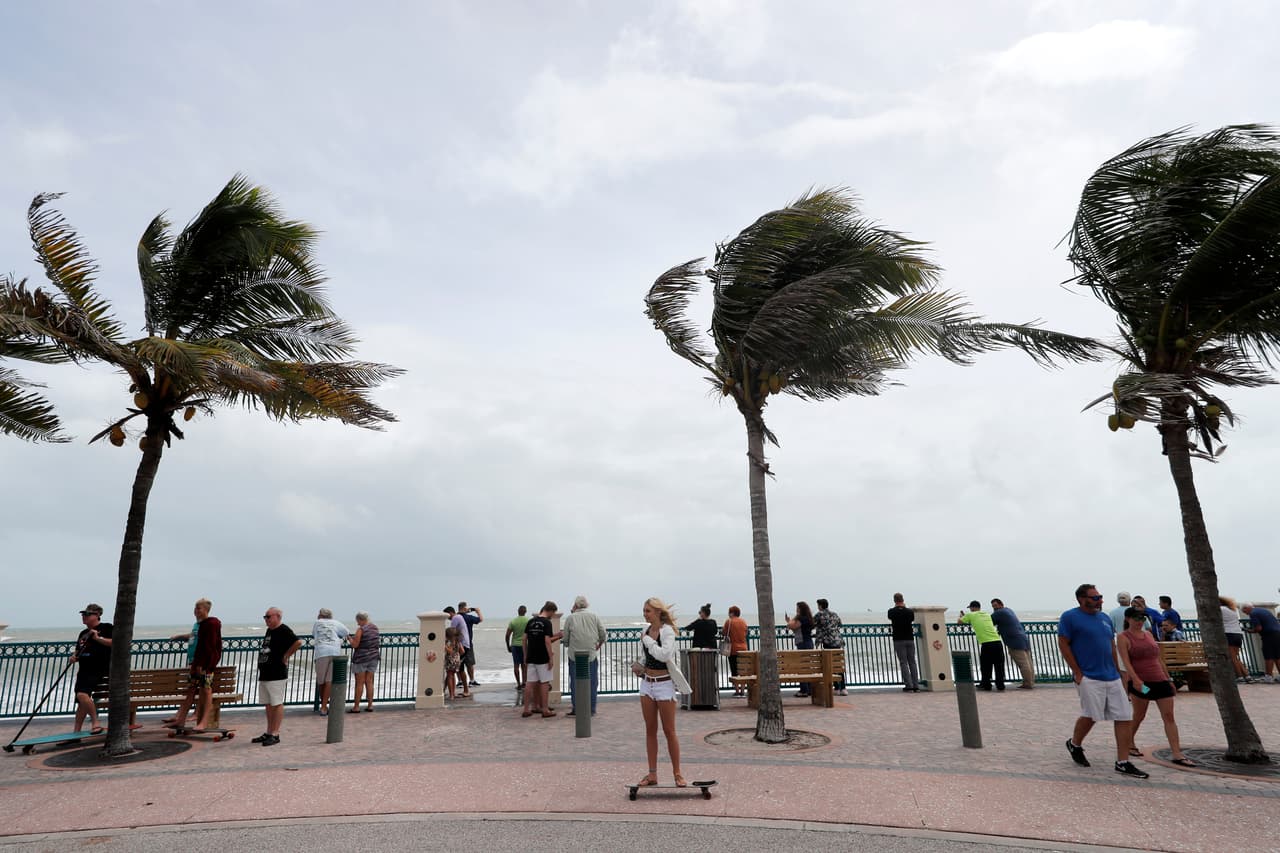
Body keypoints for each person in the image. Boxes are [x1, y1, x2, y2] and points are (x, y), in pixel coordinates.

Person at [1058, 584, 1147, 779]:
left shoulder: (1105, 618)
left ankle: (1123, 762)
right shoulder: (1070, 617)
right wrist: (1077, 672)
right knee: (1091, 715)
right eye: (1095, 597)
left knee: (1124, 716)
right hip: (1089, 676)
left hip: (1112, 676)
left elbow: (1110, 645)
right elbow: (1063, 643)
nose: (1100, 600)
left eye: (1100, 597)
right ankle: (1075, 744)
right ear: (1082, 599)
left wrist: (1119, 670)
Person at [1116, 607, 1194, 766]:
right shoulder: (1123, 637)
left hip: (1160, 681)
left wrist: (1169, 679)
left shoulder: (1149, 634)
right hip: (1142, 684)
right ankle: (1129, 744)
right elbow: (1126, 662)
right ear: (1128, 619)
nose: (1139, 622)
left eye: (1142, 619)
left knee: (1169, 716)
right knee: (1139, 715)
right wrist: (1136, 680)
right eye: (1136, 618)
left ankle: (1177, 753)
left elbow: (1159, 659)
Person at [636, 597, 691, 788]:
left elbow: (664, 655)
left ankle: (677, 773)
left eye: (648, 611)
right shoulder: (645, 632)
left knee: (669, 730)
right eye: (644, 610)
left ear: (658, 612)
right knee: (650, 730)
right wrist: (640, 665)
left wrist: (650, 641)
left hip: (664, 684)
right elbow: (647, 655)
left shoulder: (666, 632)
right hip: (647, 684)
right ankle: (652, 774)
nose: (645, 614)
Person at [167, 598, 222, 731]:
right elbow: (193, 637)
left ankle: (203, 722)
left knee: (206, 690)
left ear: (206, 610)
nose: (196, 611)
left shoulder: (211, 624)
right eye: (195, 608)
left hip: (205, 666)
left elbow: (210, 647)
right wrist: (178, 637)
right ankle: (180, 720)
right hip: (195, 663)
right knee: (190, 690)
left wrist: (204, 665)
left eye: (199, 608)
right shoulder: (198, 625)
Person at [256, 607, 301, 746]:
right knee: (268, 703)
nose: (266, 619)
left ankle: (275, 733)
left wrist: (286, 656)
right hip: (265, 672)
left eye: (268, 616)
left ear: (278, 616)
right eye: (265, 617)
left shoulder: (284, 629)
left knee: (276, 702)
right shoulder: (270, 630)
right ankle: (269, 732)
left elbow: (298, 642)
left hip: (277, 673)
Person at [70, 603, 113, 734]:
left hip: (98, 668)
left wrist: (97, 638)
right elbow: (78, 650)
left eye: (88, 614)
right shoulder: (83, 633)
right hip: (84, 670)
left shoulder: (107, 627)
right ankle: (76, 733)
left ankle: (95, 722)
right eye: (83, 614)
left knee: (82, 695)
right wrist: (74, 656)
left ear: (98, 615)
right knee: (82, 699)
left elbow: (115, 643)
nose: (84, 616)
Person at [563, 594, 607, 716]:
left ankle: (577, 708)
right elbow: (603, 634)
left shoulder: (570, 618)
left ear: (575, 605)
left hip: (574, 655)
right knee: (592, 682)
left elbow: (566, 638)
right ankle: (591, 709)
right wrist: (598, 645)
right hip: (590, 654)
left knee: (575, 682)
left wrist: (568, 644)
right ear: (587, 605)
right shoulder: (594, 616)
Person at [521, 601, 560, 718]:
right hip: (542, 657)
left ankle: (526, 709)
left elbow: (524, 639)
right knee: (544, 682)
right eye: (553, 613)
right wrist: (550, 657)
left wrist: (525, 654)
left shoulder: (531, 621)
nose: (552, 616)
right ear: (550, 611)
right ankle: (545, 709)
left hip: (531, 656)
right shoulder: (547, 623)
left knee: (530, 682)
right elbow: (547, 641)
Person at [958, 601, 1005, 691]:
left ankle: (986, 685)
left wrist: (961, 617)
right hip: (997, 642)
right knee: (999, 665)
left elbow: (959, 622)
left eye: (971, 608)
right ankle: (1000, 685)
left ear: (972, 608)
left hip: (986, 643)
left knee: (986, 666)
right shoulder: (987, 615)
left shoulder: (970, 615)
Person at [311, 608, 349, 716]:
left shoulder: (317, 623)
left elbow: (314, 634)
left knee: (321, 681)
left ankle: (323, 706)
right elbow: (346, 632)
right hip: (335, 651)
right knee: (329, 680)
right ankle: (324, 706)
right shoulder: (335, 622)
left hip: (321, 652)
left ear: (320, 615)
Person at [990, 598, 1034, 689]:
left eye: (995, 605)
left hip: (1014, 641)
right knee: (1028, 662)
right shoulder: (1008, 610)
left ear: (1001, 604)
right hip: (1023, 638)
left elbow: (988, 621)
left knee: (1023, 663)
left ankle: (1028, 683)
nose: (994, 607)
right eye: (993, 606)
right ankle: (1031, 681)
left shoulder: (999, 612)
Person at [348, 611, 380, 713]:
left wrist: (350, 639)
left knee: (359, 683)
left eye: (358, 621)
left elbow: (355, 645)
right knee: (369, 682)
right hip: (374, 657)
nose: (358, 623)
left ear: (361, 620)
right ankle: (370, 705)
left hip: (361, 659)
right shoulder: (375, 628)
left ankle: (356, 707)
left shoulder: (361, 630)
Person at [814, 598, 846, 696]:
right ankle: (843, 688)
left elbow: (812, 624)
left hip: (828, 642)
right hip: (837, 641)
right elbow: (840, 624)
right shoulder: (834, 614)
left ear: (820, 606)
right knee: (838, 664)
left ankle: (836, 688)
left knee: (830, 665)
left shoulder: (819, 615)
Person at [887, 593, 919, 693]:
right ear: (903, 599)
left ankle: (908, 685)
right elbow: (912, 619)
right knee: (912, 662)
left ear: (894, 600)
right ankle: (916, 685)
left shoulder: (891, 612)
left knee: (903, 662)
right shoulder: (909, 612)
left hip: (898, 639)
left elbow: (890, 617)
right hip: (909, 638)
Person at [1241, 603, 1280, 682]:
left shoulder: (1253, 613)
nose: (1245, 613)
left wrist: (1249, 630)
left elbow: (1258, 628)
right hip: (1277, 633)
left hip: (1269, 635)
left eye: (1244, 611)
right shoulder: (1263, 610)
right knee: (1277, 655)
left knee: (1268, 655)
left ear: (1246, 608)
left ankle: (1268, 676)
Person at [785, 601, 815, 697]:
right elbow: (796, 628)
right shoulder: (808, 619)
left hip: (803, 643)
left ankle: (804, 690)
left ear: (801, 609)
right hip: (808, 642)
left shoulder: (802, 618)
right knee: (807, 667)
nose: (796, 610)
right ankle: (809, 689)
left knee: (802, 667)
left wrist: (789, 621)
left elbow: (792, 626)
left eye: (797, 608)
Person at [1220, 596, 1252, 683]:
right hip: (1238, 634)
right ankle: (1247, 675)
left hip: (1229, 634)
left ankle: (1240, 676)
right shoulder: (1232, 610)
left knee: (1232, 657)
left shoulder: (1221, 609)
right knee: (1235, 657)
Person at [442, 606, 472, 698]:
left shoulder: (455, 618)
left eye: (447, 616)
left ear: (450, 613)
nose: (448, 618)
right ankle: (445, 691)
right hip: (463, 646)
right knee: (452, 672)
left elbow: (451, 631)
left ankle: (463, 691)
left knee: (455, 672)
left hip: (460, 647)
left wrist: (444, 643)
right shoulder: (459, 617)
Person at [722, 605, 749, 697]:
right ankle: (742, 690)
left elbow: (724, 633)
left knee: (734, 670)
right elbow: (746, 632)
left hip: (733, 649)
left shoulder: (729, 622)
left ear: (732, 613)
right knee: (743, 670)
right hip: (744, 648)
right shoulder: (743, 622)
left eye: (729, 612)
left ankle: (737, 690)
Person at [458, 602, 483, 688]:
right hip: (468, 643)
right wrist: (477, 611)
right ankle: (471, 680)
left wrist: (467, 611)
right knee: (470, 663)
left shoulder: (456, 617)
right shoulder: (468, 618)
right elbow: (480, 619)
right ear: (465, 608)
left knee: (459, 663)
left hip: (457, 643)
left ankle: (460, 681)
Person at [505, 605, 529, 690]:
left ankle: (518, 684)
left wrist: (508, 646)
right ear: (525, 612)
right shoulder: (528, 621)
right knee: (524, 665)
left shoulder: (513, 621)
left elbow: (507, 635)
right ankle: (524, 683)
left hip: (515, 645)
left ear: (518, 611)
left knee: (516, 665)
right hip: (525, 645)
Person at [443, 626, 464, 700]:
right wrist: (457, 656)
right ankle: (453, 693)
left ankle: (451, 695)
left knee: (449, 676)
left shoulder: (449, 642)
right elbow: (462, 651)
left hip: (450, 660)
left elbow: (450, 651)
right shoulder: (458, 642)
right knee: (453, 675)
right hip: (457, 660)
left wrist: (445, 647)